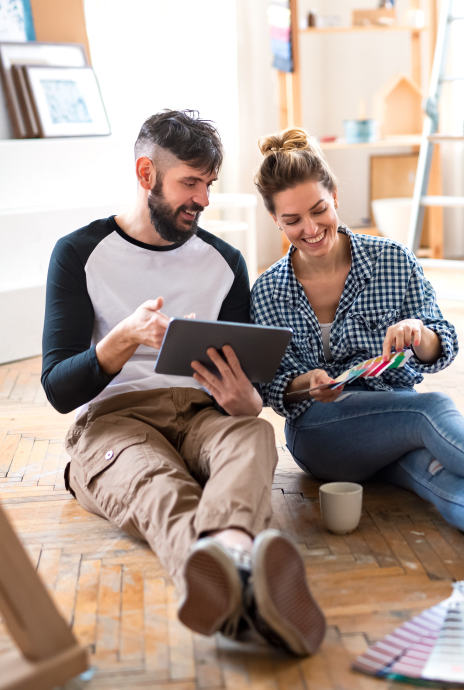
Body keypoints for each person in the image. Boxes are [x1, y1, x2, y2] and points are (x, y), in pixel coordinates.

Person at [249, 128, 464, 575]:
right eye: (293, 220)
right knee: (429, 409)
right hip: (321, 434)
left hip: (393, 416)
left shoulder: (392, 260)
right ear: (276, 221)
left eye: (319, 210)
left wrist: (419, 333)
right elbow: (273, 387)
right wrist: (306, 384)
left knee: (426, 467)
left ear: (335, 196)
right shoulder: (267, 291)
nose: (311, 228)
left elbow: (443, 341)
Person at [42, 110, 325, 657]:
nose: (203, 199)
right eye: (189, 183)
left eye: (209, 184)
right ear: (146, 174)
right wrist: (120, 340)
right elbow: (58, 389)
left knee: (254, 437)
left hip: (203, 411)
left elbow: (246, 388)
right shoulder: (79, 254)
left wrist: (247, 402)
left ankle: (232, 570)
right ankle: (246, 582)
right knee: (159, 485)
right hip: (115, 420)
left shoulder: (224, 262)